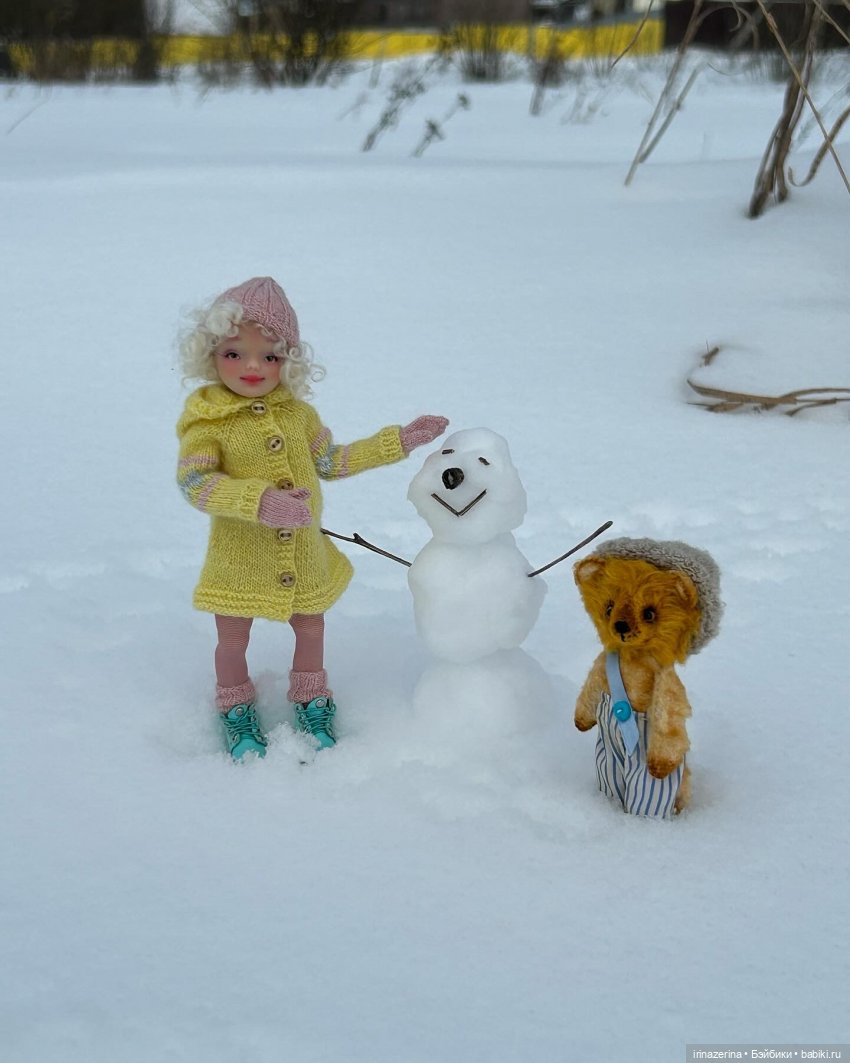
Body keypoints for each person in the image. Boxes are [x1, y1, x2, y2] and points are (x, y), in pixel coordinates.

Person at [176, 276, 448, 760]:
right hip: (239, 555)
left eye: (271, 355)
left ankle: (310, 698)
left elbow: (331, 461)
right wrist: (257, 502)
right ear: (210, 353)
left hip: (301, 553)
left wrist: (398, 441)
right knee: (232, 636)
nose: (253, 367)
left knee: (312, 627)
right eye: (235, 353)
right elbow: (195, 484)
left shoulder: (297, 416)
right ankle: (235, 707)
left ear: (290, 360)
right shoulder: (207, 421)